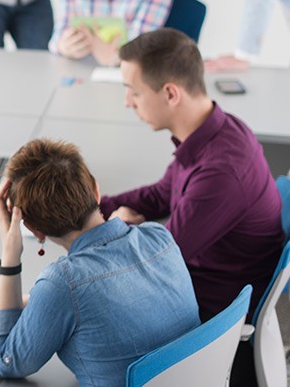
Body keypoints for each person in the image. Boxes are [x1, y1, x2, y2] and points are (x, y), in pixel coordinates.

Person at [0, 139, 199, 387]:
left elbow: (9, 363)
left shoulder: (63, 283)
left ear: (34, 230)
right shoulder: (159, 237)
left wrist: (10, 256)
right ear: (96, 190)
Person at [101, 29, 283, 321]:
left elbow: (156, 263)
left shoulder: (221, 172)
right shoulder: (216, 129)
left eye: (134, 91)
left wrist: (114, 230)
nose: (128, 101)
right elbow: (161, 195)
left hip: (209, 312)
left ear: (171, 93)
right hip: (197, 276)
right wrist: (87, 207)